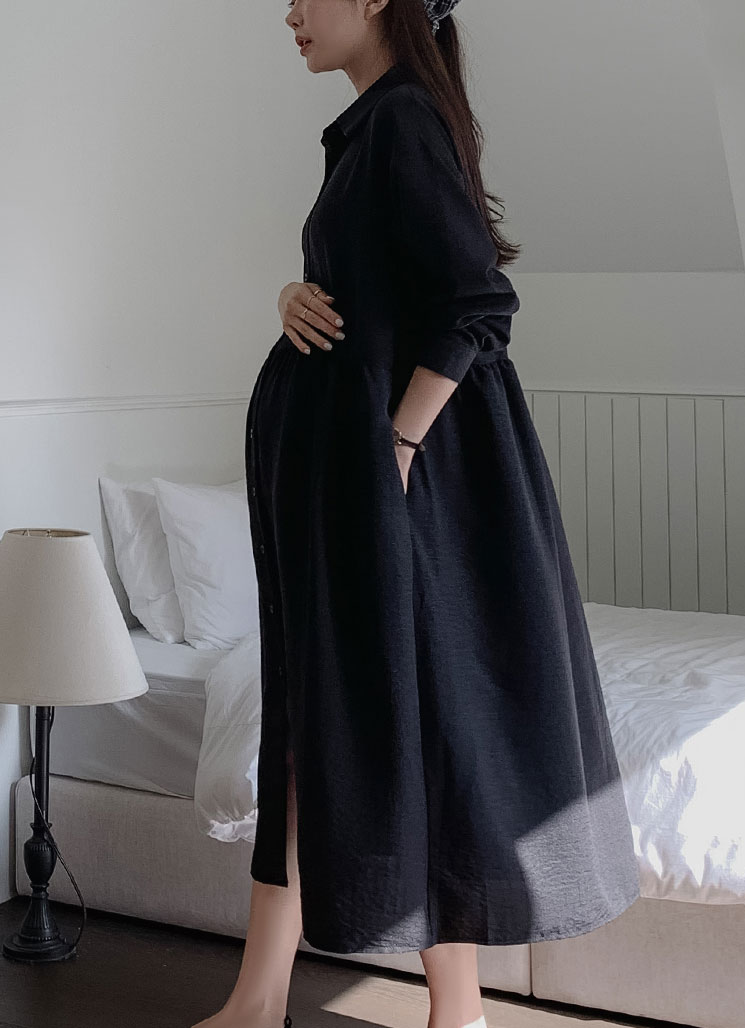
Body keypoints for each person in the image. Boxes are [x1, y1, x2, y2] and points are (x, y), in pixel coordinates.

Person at [193, 1, 640, 1026]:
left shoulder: (399, 119)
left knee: (400, 719)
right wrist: (294, 294)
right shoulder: (375, 126)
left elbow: (476, 306)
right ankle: (282, 995)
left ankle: (440, 1007)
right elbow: (386, 291)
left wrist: (394, 450)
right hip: (360, 491)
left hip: (407, 491)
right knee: (336, 720)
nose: (289, 10)